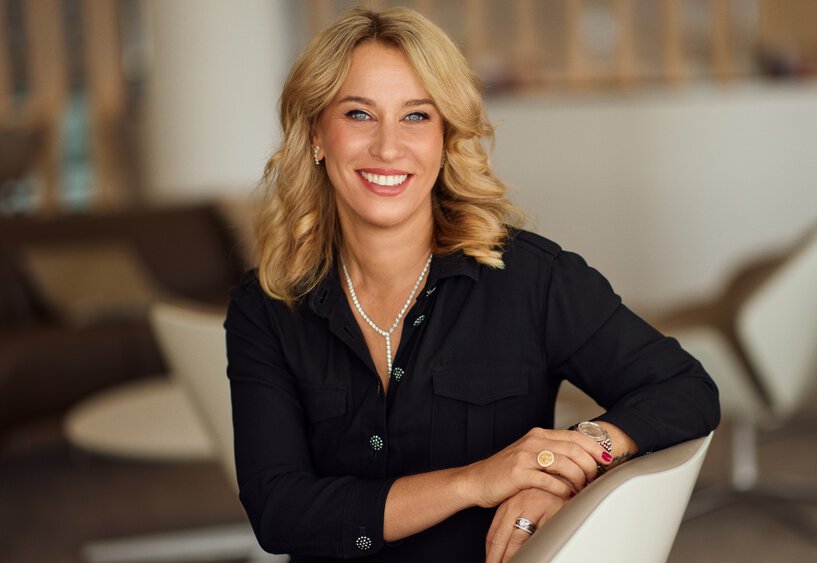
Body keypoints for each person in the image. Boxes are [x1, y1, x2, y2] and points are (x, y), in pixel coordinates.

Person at [225, 7, 719, 563]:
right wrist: (475, 481)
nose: (389, 147)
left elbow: (684, 388)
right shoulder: (266, 306)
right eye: (359, 114)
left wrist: (566, 468)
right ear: (317, 134)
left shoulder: (530, 279)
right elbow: (280, 511)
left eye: (416, 117)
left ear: (444, 137)